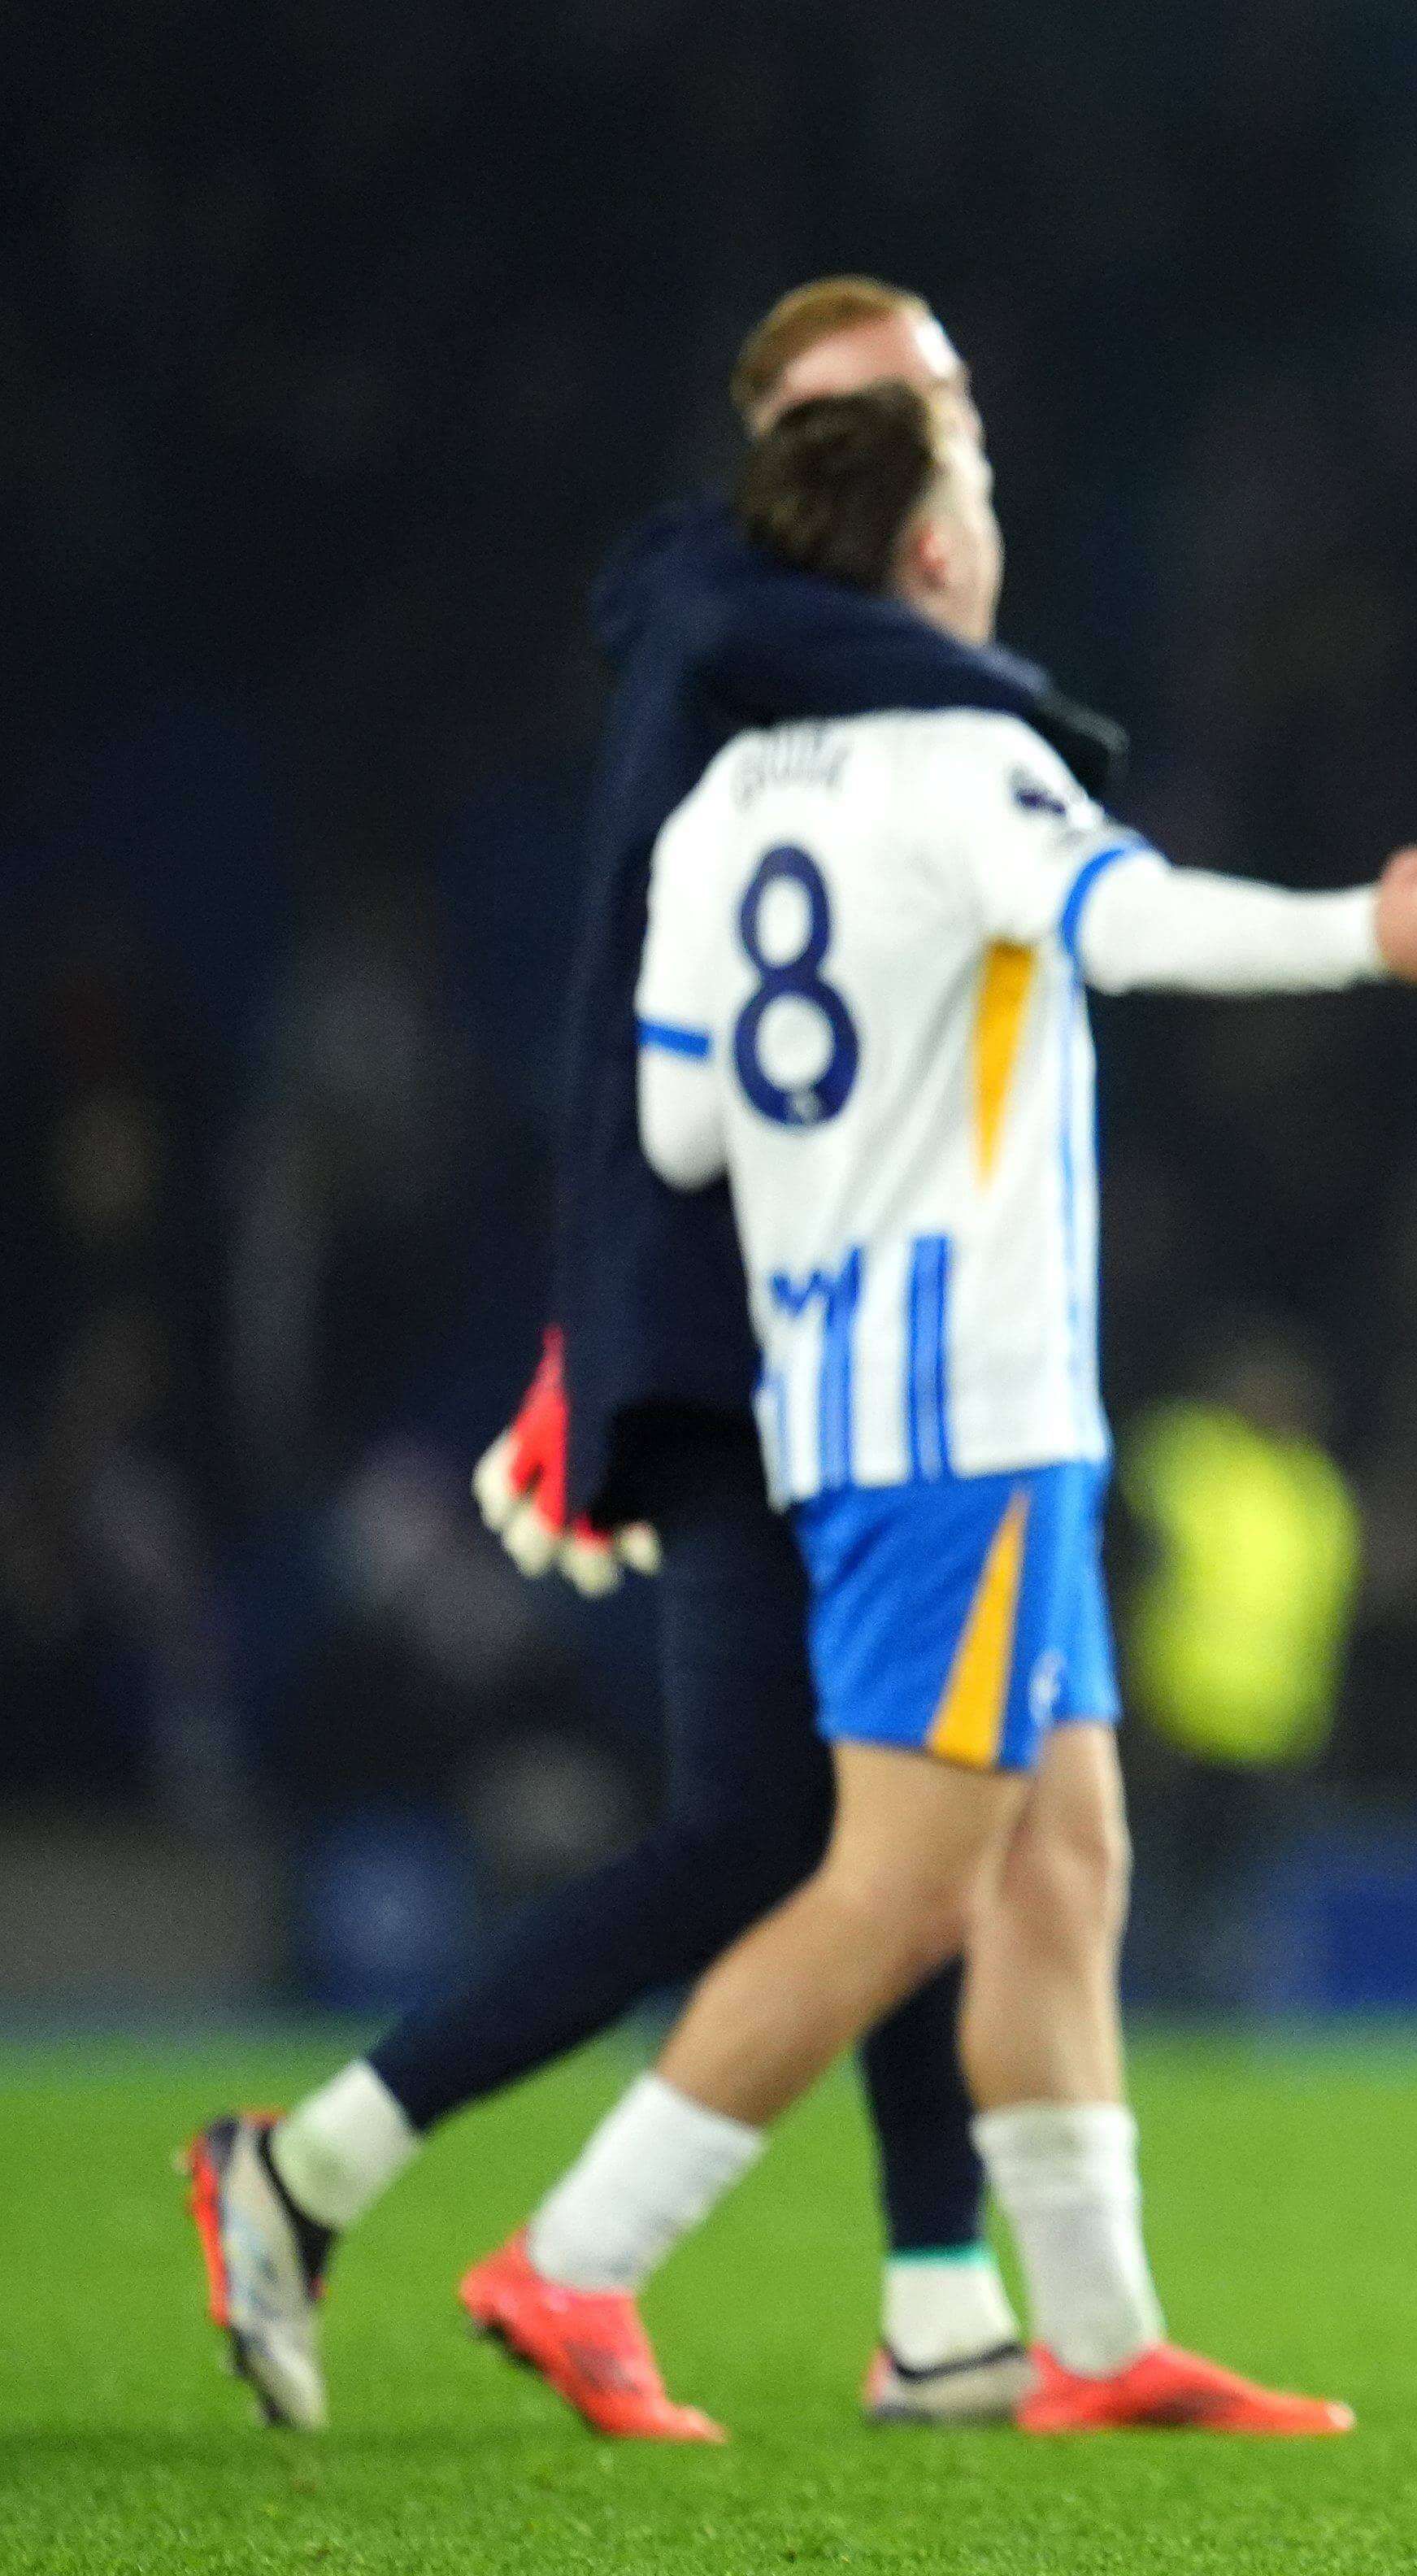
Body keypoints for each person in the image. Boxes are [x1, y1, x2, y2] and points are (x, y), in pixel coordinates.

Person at [454, 376, 1417, 2443]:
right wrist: (1361, 933)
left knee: (1068, 1854)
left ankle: (1097, 2330)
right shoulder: (967, 758)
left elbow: (680, 1122)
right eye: (970, 485)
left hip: (841, 1387)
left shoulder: (718, 806)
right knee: (906, 1883)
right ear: (934, 548)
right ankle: (576, 2261)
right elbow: (1124, 923)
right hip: (964, 1408)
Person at [186, 279, 1102, 2435]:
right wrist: (590, 1333)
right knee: (778, 1826)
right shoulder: (719, 606)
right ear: (779, 441)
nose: (931, 450)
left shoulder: (809, 671)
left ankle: (946, 2292)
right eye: (884, 412)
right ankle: (314, 2166)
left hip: (805, 1309)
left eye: (949, 404)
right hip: (734, 1328)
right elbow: (644, 1035)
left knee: (885, 1804)